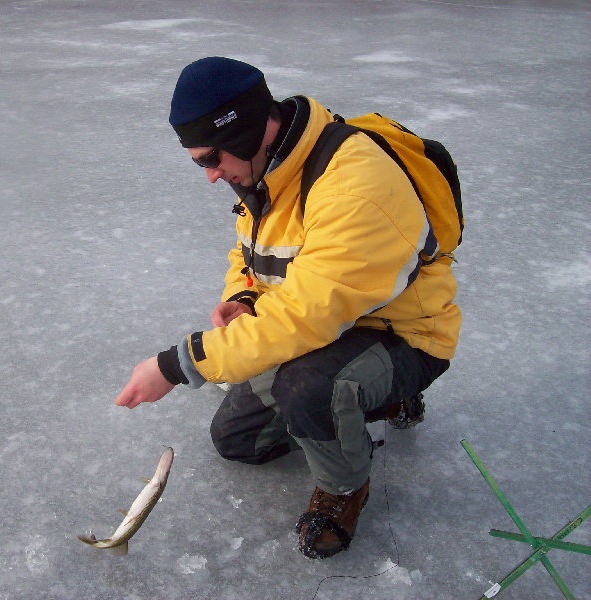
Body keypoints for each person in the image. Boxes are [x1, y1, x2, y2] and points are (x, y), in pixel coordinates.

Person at [114, 57, 461, 559]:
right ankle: (377, 405)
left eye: (209, 159)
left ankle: (344, 489)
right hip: (328, 328)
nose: (210, 176)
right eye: (198, 163)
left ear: (245, 130)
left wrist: (176, 365)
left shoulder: (352, 184)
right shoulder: (267, 170)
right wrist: (245, 296)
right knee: (237, 439)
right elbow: (251, 252)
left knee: (307, 388)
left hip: (403, 333)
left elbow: (305, 315)